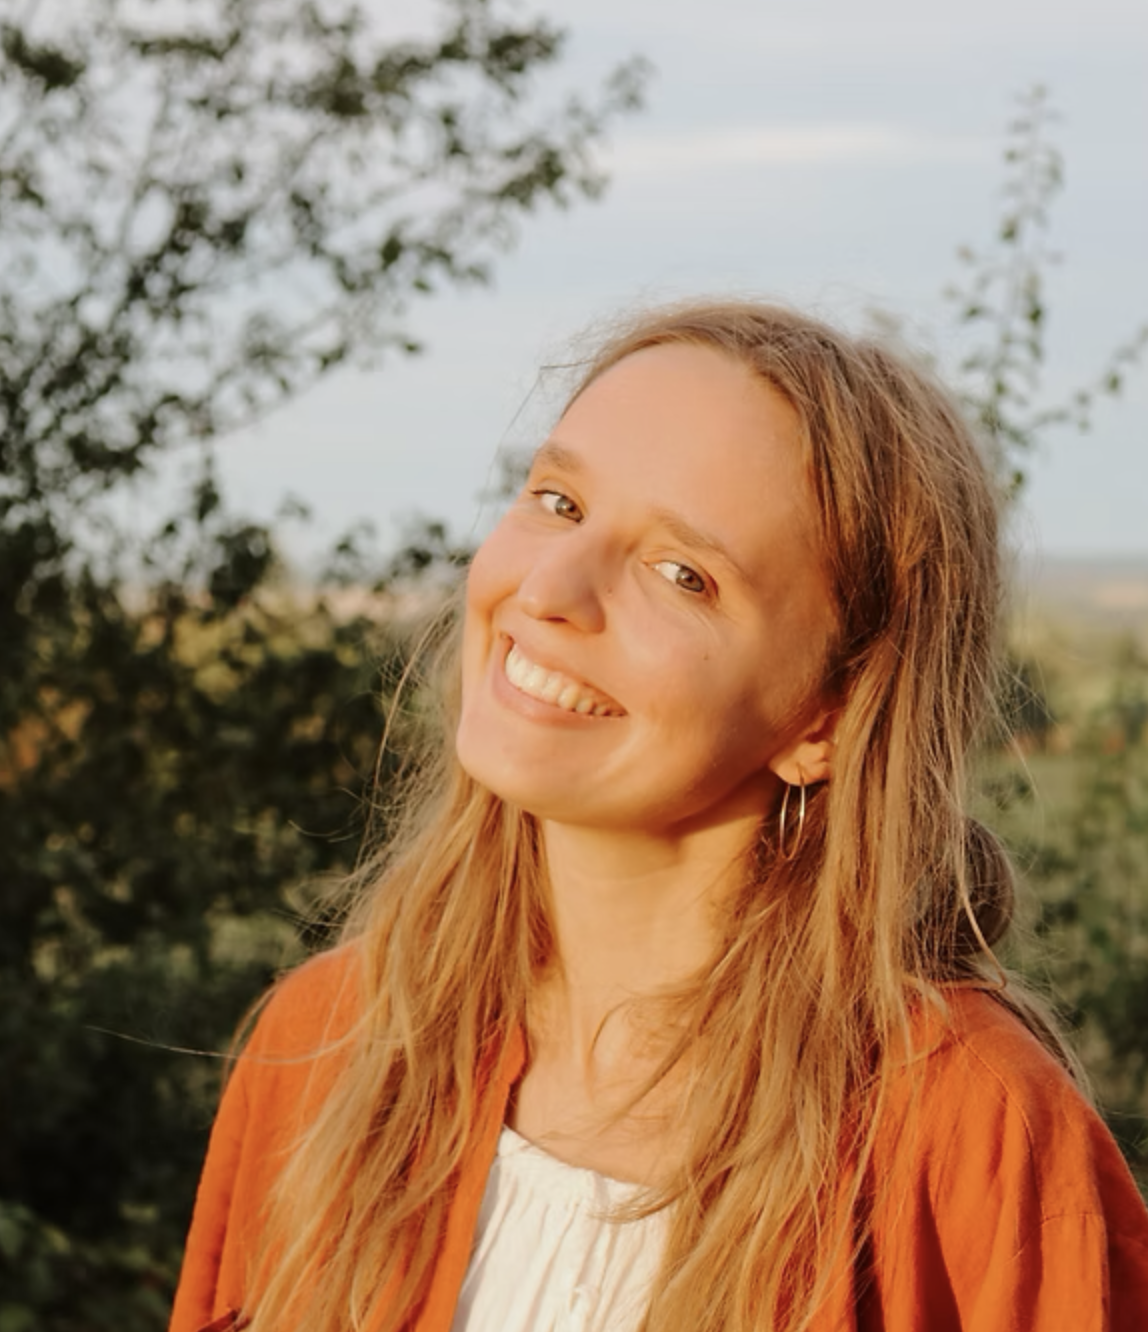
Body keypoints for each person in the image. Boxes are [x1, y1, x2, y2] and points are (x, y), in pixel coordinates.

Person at [169, 301, 1148, 1332]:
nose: (547, 589)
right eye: (556, 501)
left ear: (826, 715)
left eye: (681, 574)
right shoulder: (329, 1043)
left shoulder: (971, 1132)